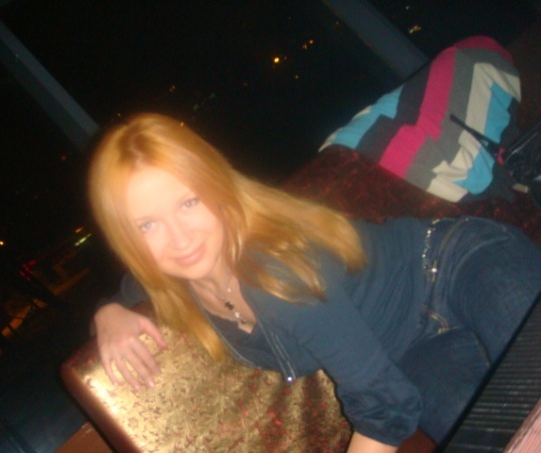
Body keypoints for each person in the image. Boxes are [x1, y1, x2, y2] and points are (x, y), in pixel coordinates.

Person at [89, 112, 541, 452]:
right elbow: (129, 289)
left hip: (459, 263)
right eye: (147, 225)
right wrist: (106, 313)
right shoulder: (174, 283)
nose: (179, 238)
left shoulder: (274, 270)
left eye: (189, 203)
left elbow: (385, 406)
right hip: (415, 351)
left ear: (218, 189)